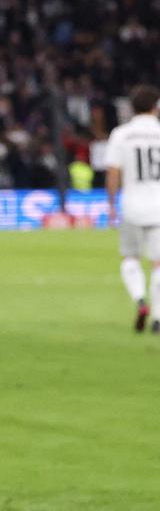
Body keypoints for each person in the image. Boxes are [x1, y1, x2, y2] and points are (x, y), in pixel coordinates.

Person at [105, 84, 160, 332]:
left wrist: (111, 204)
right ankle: (158, 318)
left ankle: (140, 300)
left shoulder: (121, 134)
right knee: (158, 263)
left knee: (130, 258)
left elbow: (113, 170)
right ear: (155, 107)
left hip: (131, 206)